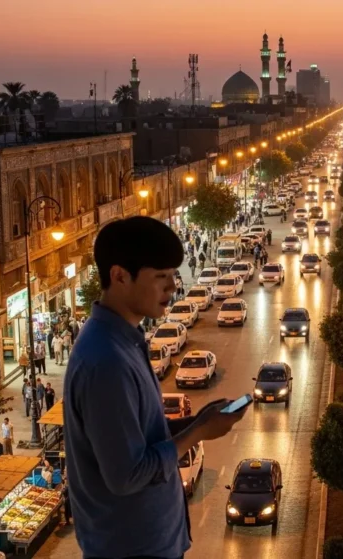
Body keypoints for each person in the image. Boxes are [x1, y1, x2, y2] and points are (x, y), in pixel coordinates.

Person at [64, 217, 249, 558]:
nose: (173, 288)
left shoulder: (126, 342)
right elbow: (127, 475)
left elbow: (143, 437)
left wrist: (197, 421)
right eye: (160, 277)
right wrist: (199, 433)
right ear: (120, 276)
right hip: (131, 548)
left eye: (173, 276)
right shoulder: (106, 361)